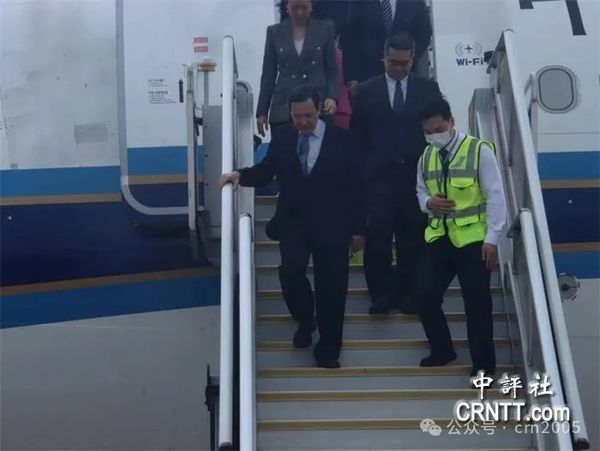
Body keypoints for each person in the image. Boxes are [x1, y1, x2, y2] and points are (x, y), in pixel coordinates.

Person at [220, 85, 365, 368]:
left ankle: (328, 351)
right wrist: (240, 176)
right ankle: (305, 319)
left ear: (319, 110)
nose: (303, 122)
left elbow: (356, 186)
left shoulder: (342, 140)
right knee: (290, 272)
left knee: (332, 288)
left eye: (308, 116)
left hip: (333, 224)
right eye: (297, 117)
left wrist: (359, 228)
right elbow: (267, 170)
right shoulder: (284, 136)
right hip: (294, 221)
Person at [415, 97, 507, 377]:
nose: (434, 136)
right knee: (424, 295)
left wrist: (492, 238)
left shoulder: (479, 151)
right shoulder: (426, 155)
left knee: (477, 305)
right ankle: (442, 350)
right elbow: (420, 190)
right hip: (439, 237)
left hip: (473, 240)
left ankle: (484, 368)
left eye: (438, 129)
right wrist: (429, 202)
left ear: (452, 122)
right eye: (428, 132)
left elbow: (495, 195)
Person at [350, 32, 441, 315]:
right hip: (378, 177)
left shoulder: (428, 89)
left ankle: (408, 294)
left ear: (413, 60)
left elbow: (437, 134)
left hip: (415, 177)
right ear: (384, 58)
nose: (399, 68)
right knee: (378, 237)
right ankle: (381, 295)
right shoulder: (366, 92)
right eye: (393, 63)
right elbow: (357, 140)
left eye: (404, 63)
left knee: (411, 237)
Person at [257, 0, 339, 137]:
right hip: (283, 108)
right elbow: (268, 75)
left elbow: (331, 70)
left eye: (304, 7)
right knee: (283, 148)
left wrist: (332, 97)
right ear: (287, 7)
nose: (300, 12)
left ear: (311, 6)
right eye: (295, 7)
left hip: (317, 106)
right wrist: (262, 111)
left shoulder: (325, 30)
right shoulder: (274, 32)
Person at [344, 0, 432, 93]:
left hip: (406, 73)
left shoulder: (414, 2)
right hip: (369, 74)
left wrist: (404, 58)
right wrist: (351, 77)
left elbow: (424, 33)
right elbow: (351, 39)